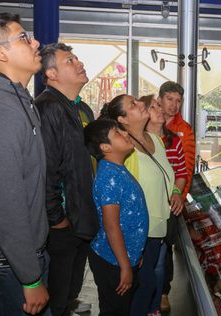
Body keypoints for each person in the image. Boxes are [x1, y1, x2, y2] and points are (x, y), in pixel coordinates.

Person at [0, 13, 49, 315]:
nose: (36, 42)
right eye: (24, 37)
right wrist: (29, 278)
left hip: (17, 259)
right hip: (5, 267)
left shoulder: (15, 97)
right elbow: (4, 200)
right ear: (0, 53)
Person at [99, 94, 182, 316]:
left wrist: (175, 192)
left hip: (160, 226)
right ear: (123, 119)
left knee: (151, 284)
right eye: (133, 105)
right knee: (142, 288)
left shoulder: (155, 140)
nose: (142, 105)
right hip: (140, 231)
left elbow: (168, 176)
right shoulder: (124, 150)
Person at [35, 42, 99, 316]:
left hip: (79, 219)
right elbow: (45, 170)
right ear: (51, 74)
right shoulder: (47, 108)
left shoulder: (81, 108)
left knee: (70, 293)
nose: (79, 63)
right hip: (62, 225)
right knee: (56, 298)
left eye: (77, 58)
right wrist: (57, 219)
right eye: (70, 61)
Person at [84, 119, 149, 315]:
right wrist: (124, 266)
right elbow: (111, 226)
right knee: (115, 310)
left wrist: (135, 253)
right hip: (112, 262)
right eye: (117, 133)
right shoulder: (108, 176)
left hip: (123, 257)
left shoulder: (118, 169)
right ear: (105, 147)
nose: (125, 134)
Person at [157, 81, 196, 311]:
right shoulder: (149, 122)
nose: (174, 105)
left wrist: (179, 197)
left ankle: (163, 292)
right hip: (148, 198)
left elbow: (186, 168)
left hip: (171, 201)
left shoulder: (185, 130)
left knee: (165, 248)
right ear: (160, 99)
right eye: (170, 99)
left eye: (178, 100)